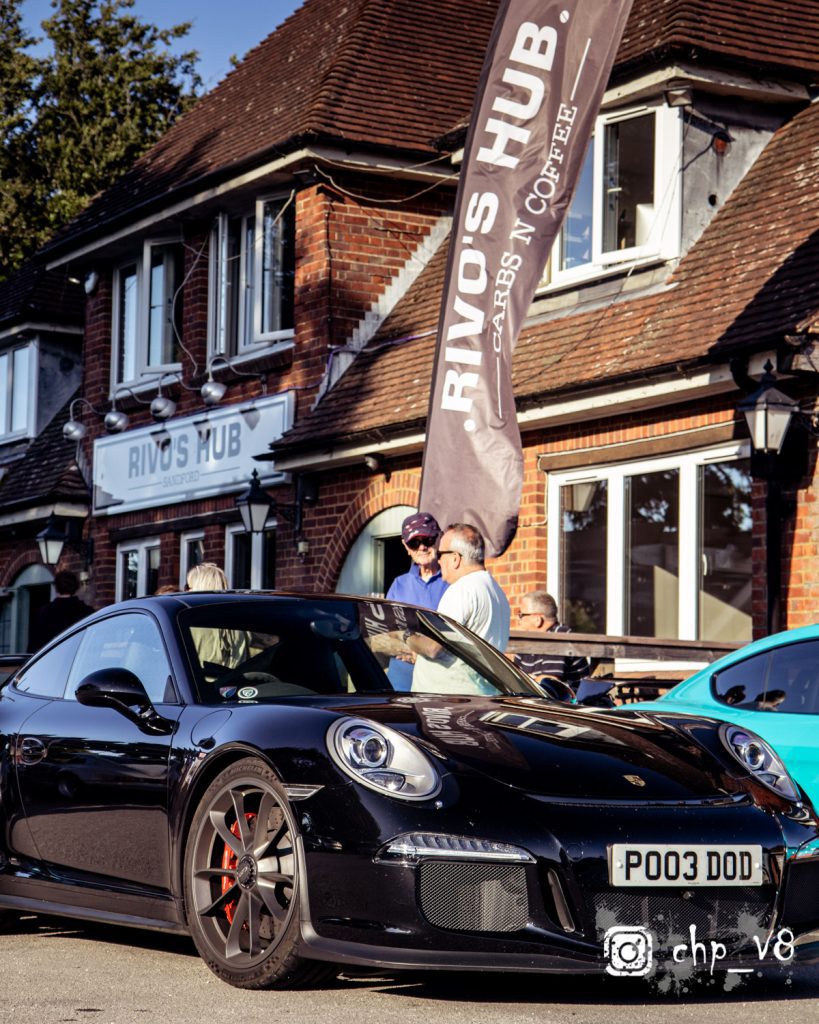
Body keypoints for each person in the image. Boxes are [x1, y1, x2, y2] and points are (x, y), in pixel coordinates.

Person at [408, 523, 510, 694]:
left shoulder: (462, 589)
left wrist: (407, 638)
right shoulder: (497, 592)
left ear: (455, 558)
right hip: (479, 696)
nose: (438, 560)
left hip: (446, 702)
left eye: (440, 554)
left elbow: (433, 648)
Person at [385, 511, 447, 689]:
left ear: (438, 539)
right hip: (402, 676)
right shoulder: (399, 584)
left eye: (427, 540)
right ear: (405, 546)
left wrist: (419, 651)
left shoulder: (453, 581)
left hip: (440, 677)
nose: (422, 548)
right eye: (414, 543)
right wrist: (406, 649)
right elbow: (384, 630)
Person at [514, 590, 590, 692]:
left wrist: (528, 679)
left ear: (537, 620)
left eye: (521, 615)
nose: (519, 620)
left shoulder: (559, 636)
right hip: (540, 702)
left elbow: (549, 683)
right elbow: (515, 678)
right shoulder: (527, 641)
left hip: (569, 705)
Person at [186, 562, 249, 678]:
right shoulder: (241, 623)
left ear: (200, 588)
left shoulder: (188, 624)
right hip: (236, 689)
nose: (186, 591)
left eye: (189, 587)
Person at [31, 570, 94, 650]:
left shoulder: (45, 612)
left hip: (51, 658)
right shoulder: (87, 612)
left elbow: (34, 643)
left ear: (56, 588)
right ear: (76, 587)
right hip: (78, 658)